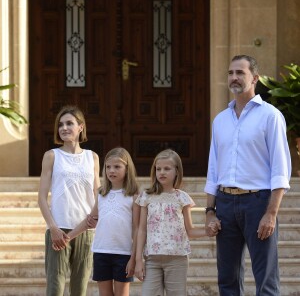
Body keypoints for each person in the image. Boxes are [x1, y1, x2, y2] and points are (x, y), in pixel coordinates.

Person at [204, 55, 292, 296]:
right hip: (225, 204)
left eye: (240, 73)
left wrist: (271, 213)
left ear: (254, 78)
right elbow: (214, 168)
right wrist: (209, 211)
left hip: (258, 202)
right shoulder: (220, 120)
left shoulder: (270, 116)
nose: (234, 77)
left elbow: (280, 169)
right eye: (231, 73)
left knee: (266, 280)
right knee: (227, 279)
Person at [135, 149, 219, 296]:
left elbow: (190, 231)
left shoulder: (182, 198)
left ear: (177, 171)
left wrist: (208, 231)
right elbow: (141, 230)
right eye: (158, 169)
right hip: (152, 259)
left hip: (177, 259)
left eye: (167, 169)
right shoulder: (146, 197)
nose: (162, 172)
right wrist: (138, 260)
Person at [38, 105, 101, 296]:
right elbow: (41, 197)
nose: (64, 128)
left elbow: (97, 192)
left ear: (80, 127)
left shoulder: (93, 157)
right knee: (54, 289)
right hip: (59, 231)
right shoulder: (51, 156)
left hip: (85, 230)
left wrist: (96, 216)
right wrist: (53, 228)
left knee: (79, 289)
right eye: (61, 124)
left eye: (69, 123)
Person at [61, 147, 140, 296]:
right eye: (108, 167)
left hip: (123, 253)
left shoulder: (134, 196)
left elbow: (137, 229)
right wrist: (68, 236)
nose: (111, 170)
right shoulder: (101, 193)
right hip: (101, 251)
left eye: (117, 167)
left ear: (127, 168)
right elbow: (90, 221)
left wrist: (134, 258)